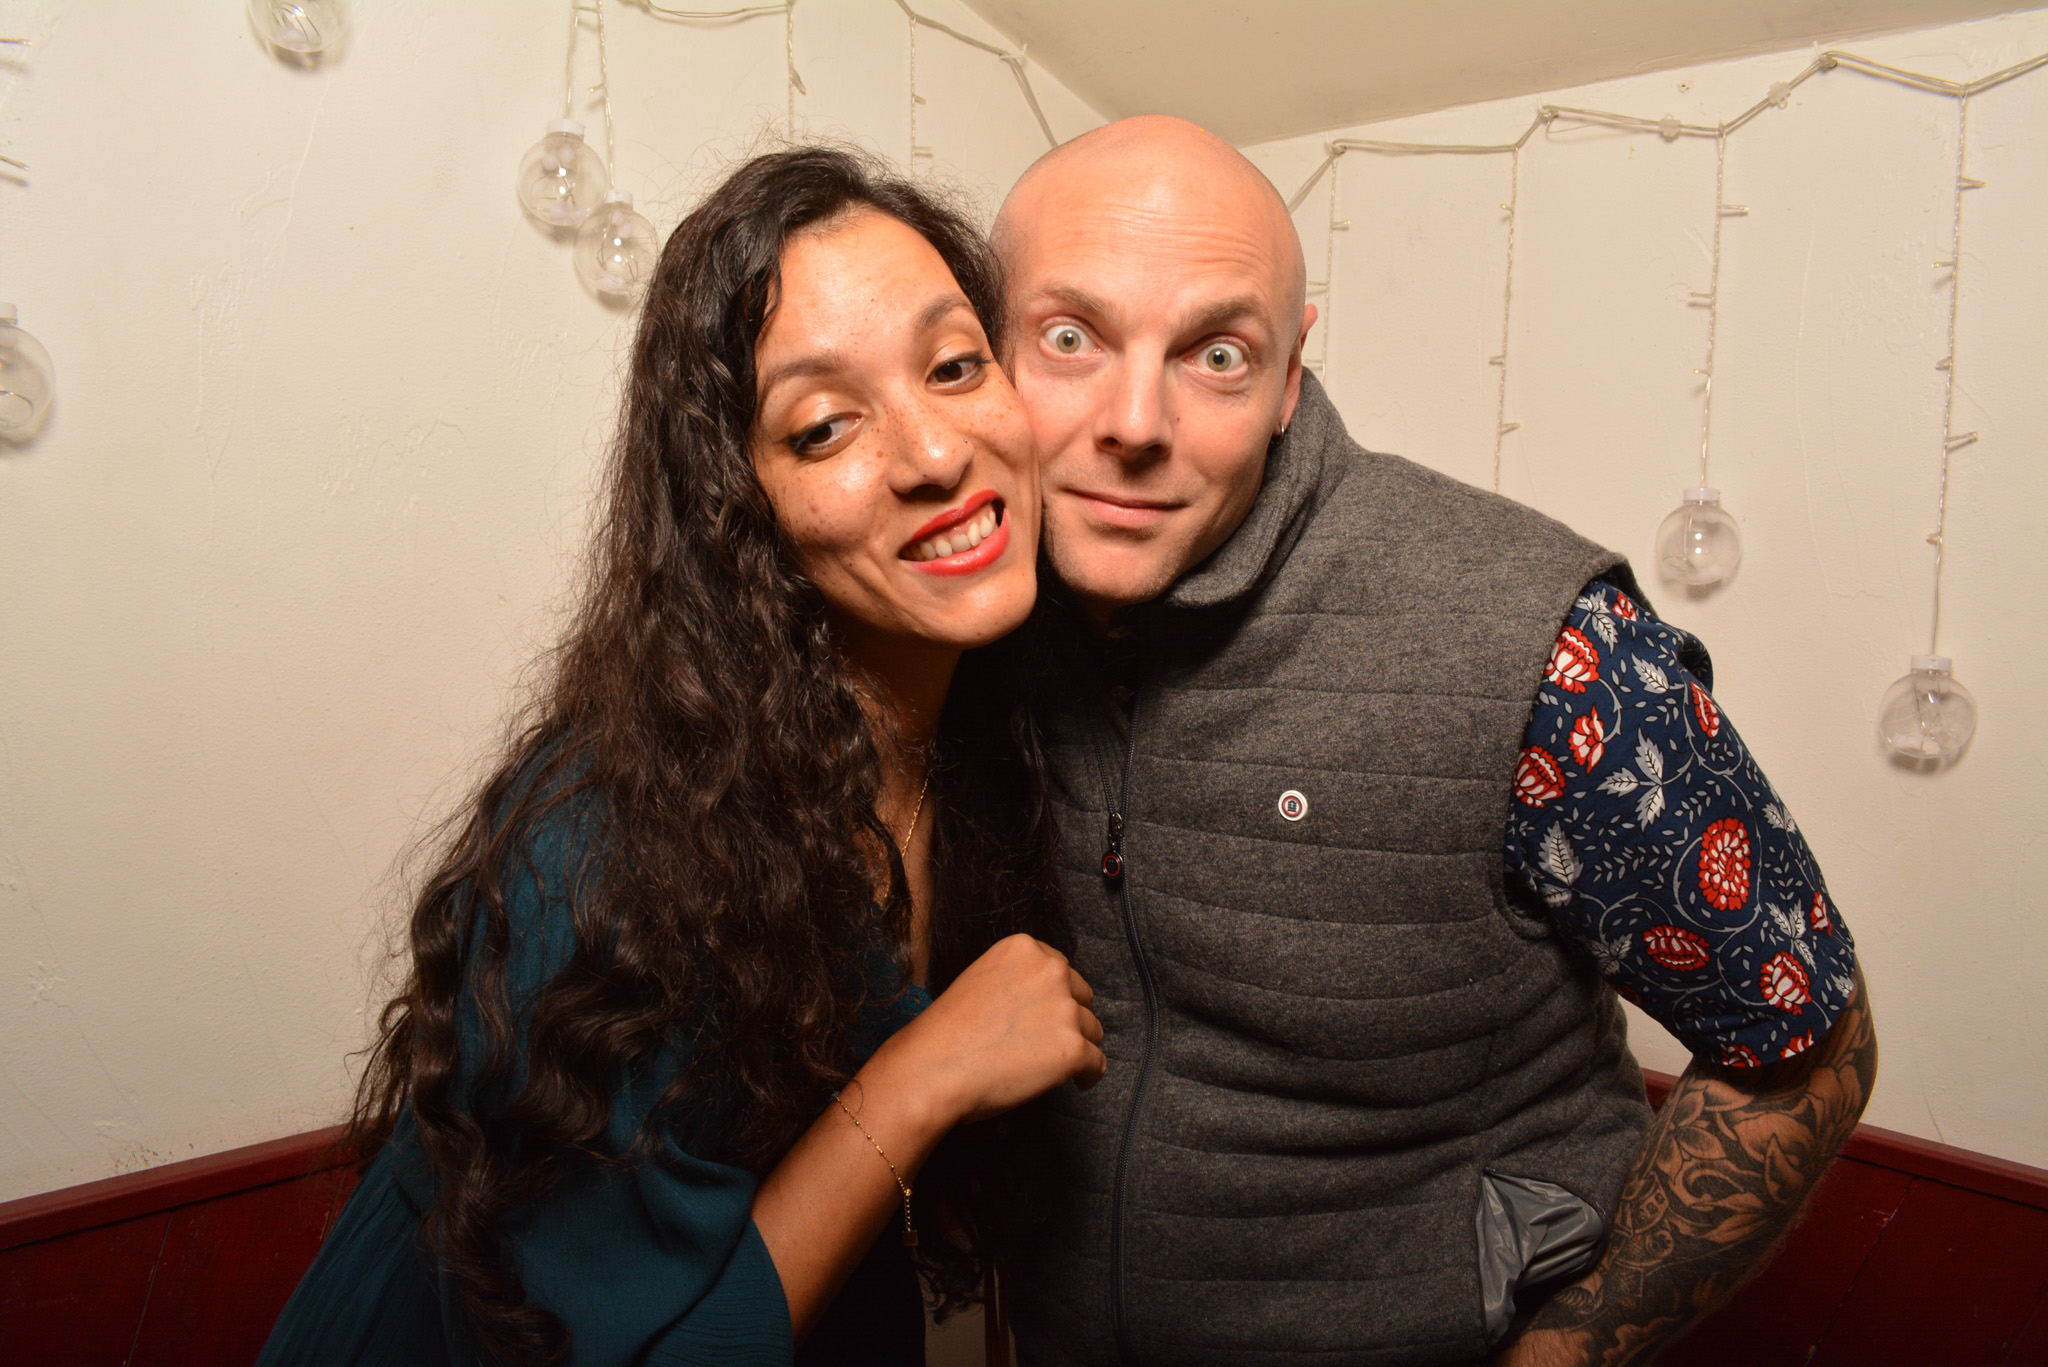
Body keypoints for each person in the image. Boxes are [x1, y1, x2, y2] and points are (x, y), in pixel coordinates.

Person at [986, 116, 1878, 1367]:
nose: (1134, 420)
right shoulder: (972, 610)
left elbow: (1805, 1040)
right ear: (984, 348)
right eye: (1070, 337)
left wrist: (1565, 1352)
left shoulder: (1545, 646)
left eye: (1217, 353)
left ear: (1287, 377)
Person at [258, 147, 1107, 1367]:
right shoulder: (599, 859)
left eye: (955, 365)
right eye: (823, 426)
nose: (931, 452)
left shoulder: (990, 738)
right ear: (734, 510)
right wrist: (923, 1075)